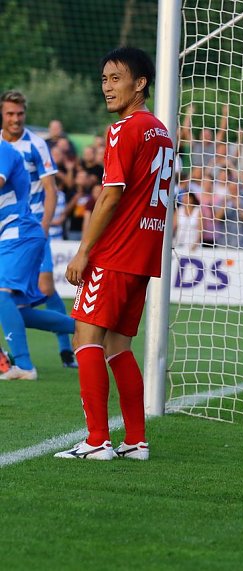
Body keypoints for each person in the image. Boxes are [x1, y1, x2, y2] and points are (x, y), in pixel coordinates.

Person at [56, 47, 174, 461]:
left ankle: (96, 441)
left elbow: (110, 194)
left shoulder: (125, 129)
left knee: (84, 337)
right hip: (143, 254)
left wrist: (84, 251)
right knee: (118, 346)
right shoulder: (161, 131)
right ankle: (136, 440)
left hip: (115, 251)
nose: (107, 87)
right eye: (104, 79)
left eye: (116, 78)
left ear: (140, 84)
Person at [0, 90, 77, 367]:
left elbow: (51, 190)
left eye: (20, 114)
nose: (15, 119)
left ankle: (66, 348)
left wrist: (44, 226)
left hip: (30, 228)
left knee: (44, 288)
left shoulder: (36, 144)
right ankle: (81, 332)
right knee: (16, 303)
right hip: (7, 230)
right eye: (10, 114)